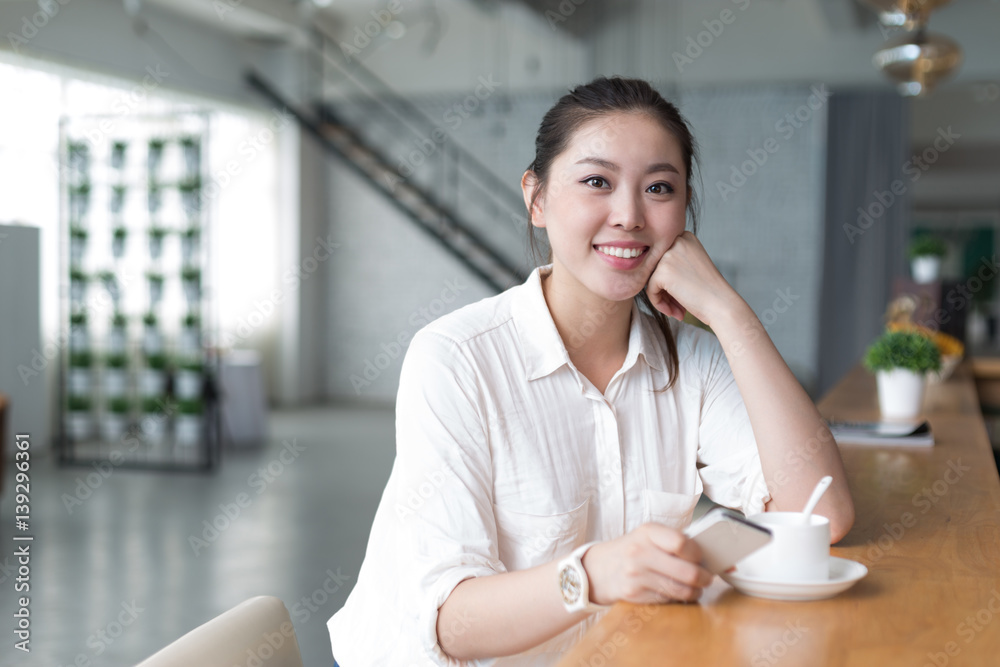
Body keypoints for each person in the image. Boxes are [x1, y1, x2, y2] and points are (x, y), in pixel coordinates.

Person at [327, 76, 854, 666]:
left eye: (659, 187)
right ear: (537, 198)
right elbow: (449, 623)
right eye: (596, 181)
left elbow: (821, 515)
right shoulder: (455, 358)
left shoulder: (693, 359)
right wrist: (595, 574)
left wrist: (730, 314)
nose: (629, 216)